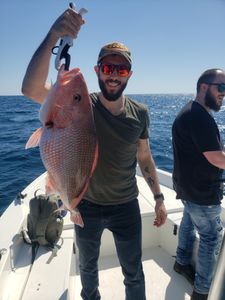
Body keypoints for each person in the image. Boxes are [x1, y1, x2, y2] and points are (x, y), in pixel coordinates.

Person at [21, 7, 167, 300]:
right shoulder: (80, 104)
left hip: (126, 206)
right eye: (108, 68)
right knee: (87, 269)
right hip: (84, 203)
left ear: (129, 74)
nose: (113, 76)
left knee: (134, 272)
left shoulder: (141, 113)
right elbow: (31, 88)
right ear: (98, 70)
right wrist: (54, 33)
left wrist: (160, 198)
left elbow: (145, 158)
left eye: (121, 70)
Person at [172, 68, 225, 300]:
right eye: (221, 88)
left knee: (187, 223)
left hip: (187, 188)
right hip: (202, 192)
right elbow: (215, 157)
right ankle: (202, 291)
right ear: (204, 87)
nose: (224, 94)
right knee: (211, 237)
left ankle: (182, 263)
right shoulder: (198, 117)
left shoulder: (190, 111)